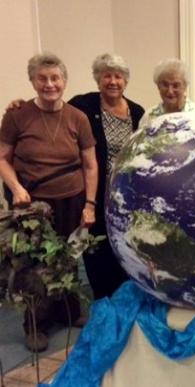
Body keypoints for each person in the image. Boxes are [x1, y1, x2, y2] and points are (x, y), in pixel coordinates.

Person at [0, 52, 98, 352]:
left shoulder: (77, 118)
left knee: (68, 256)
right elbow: (3, 157)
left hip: (71, 196)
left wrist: (90, 204)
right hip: (31, 202)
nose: (49, 84)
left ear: (64, 81)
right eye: (42, 78)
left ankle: (67, 311)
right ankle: (35, 325)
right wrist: (15, 187)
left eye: (55, 78)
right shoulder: (17, 116)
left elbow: (90, 165)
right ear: (32, 81)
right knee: (32, 266)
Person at [68, 53, 145, 300]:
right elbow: (54, 111)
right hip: (96, 191)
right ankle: (102, 297)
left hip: (126, 195)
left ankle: (123, 296)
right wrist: (19, 104)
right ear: (98, 79)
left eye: (118, 76)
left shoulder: (137, 111)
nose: (113, 81)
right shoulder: (83, 105)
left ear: (126, 81)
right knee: (97, 246)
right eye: (107, 75)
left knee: (124, 244)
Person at [139, 58, 195, 128]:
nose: (170, 91)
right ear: (158, 86)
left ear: (185, 86)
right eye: (165, 85)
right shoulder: (148, 117)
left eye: (176, 85)